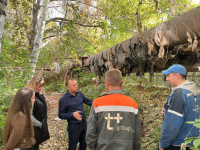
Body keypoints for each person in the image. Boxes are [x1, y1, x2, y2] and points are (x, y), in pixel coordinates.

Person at [86, 69, 141, 150]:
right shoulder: (133, 104)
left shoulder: (97, 103)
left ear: (107, 83)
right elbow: (137, 135)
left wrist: (92, 148)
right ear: (122, 82)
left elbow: (91, 133)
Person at [159, 64, 200, 150]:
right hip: (191, 142)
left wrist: (162, 144)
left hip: (177, 144)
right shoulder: (195, 94)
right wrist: (168, 109)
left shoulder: (179, 94)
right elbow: (189, 112)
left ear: (177, 75)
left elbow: (172, 125)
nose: (167, 79)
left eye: (168, 75)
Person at [58, 78, 93, 150]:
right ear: (68, 87)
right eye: (74, 85)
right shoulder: (63, 99)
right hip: (74, 126)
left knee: (84, 144)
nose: (77, 86)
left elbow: (88, 102)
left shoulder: (79, 94)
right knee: (72, 146)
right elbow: (61, 115)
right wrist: (72, 114)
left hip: (83, 124)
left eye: (76, 84)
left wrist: (100, 103)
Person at [24, 76, 50, 150]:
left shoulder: (36, 95)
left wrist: (42, 99)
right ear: (33, 85)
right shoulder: (30, 97)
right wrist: (39, 124)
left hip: (36, 132)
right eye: (39, 86)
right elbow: (28, 115)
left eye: (41, 86)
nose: (40, 88)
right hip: (30, 132)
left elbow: (40, 110)